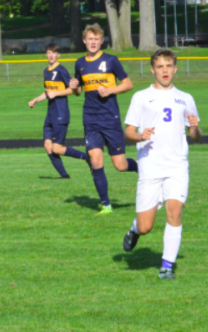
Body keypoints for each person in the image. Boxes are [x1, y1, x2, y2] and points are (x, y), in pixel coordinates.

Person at [121, 49, 202, 281]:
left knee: (174, 212)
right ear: (152, 69)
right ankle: (135, 229)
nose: (165, 70)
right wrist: (140, 135)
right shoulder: (141, 97)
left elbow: (195, 135)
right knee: (146, 226)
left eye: (169, 66)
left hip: (177, 166)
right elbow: (128, 132)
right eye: (160, 66)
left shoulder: (186, 98)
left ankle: (166, 267)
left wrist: (195, 128)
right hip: (150, 166)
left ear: (175, 69)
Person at [69, 24, 137, 215]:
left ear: (101, 41)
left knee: (120, 165)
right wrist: (74, 86)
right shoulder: (79, 63)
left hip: (110, 118)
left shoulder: (111, 60)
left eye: (96, 39)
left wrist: (110, 90)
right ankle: (106, 205)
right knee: (96, 160)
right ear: (84, 40)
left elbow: (128, 84)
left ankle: (140, 168)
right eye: (90, 39)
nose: (93, 42)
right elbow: (78, 92)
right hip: (90, 119)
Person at [28, 43, 88, 179]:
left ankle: (86, 157)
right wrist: (35, 100)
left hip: (61, 114)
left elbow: (73, 89)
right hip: (50, 114)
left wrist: (56, 94)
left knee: (56, 148)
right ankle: (64, 176)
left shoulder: (61, 70)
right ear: (46, 54)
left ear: (58, 55)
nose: (51, 55)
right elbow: (47, 92)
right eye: (49, 52)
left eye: (53, 52)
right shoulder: (46, 71)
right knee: (47, 145)